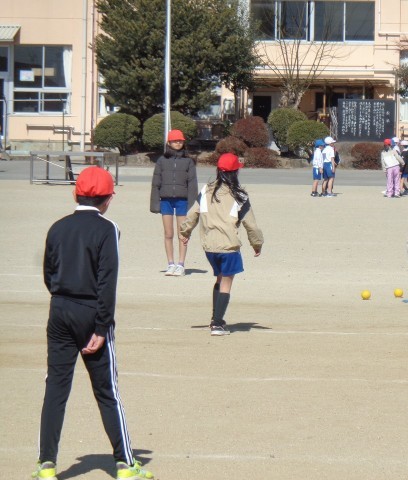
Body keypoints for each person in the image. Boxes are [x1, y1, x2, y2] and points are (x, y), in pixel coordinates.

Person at [35, 167, 154, 480]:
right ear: (108, 199)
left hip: (59, 309)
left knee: (55, 387)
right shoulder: (107, 229)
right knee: (106, 390)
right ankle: (125, 463)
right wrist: (101, 327)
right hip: (91, 311)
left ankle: (46, 464)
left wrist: (63, 298)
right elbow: (107, 280)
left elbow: (49, 272)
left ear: (75, 194)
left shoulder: (57, 227)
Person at [180, 153, 264, 336]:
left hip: (209, 246)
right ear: (235, 173)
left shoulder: (206, 191)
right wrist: (257, 243)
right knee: (226, 282)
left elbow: (192, 214)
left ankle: (215, 318)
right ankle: (217, 324)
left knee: (219, 279)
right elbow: (251, 224)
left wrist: (185, 232)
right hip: (228, 246)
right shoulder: (239, 195)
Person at [150, 129, 198, 276]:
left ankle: (181, 264)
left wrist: (192, 205)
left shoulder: (188, 161)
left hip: (182, 201)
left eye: (180, 140)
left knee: (182, 233)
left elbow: (193, 184)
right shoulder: (161, 161)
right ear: (169, 143)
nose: (178, 143)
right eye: (175, 140)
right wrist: (155, 204)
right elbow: (156, 183)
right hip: (166, 201)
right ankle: (170, 264)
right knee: (168, 233)